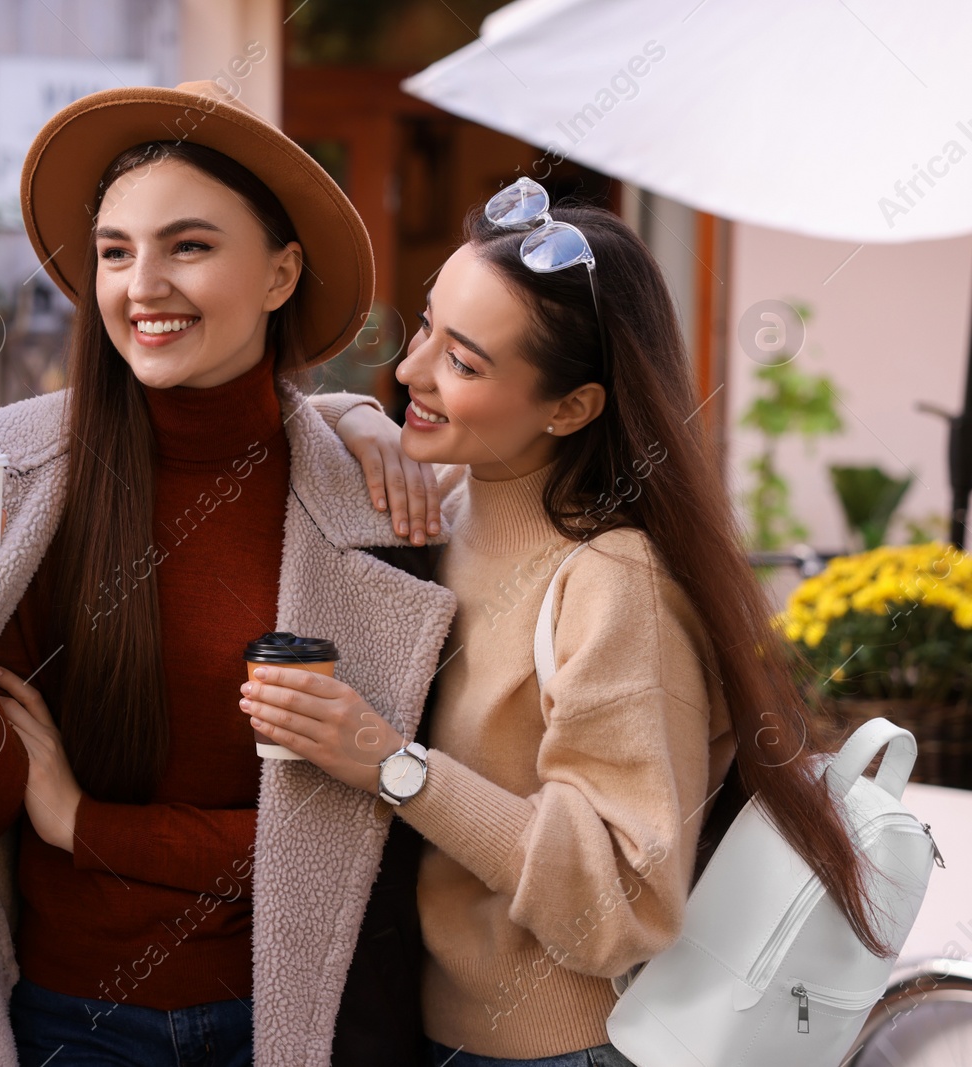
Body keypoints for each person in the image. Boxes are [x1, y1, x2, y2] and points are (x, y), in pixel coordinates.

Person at [0, 81, 452, 1067]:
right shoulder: (5, 480)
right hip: (69, 1023)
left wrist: (85, 824)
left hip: (294, 1023)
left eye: (188, 245)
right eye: (114, 251)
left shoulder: (379, 505)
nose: (142, 286)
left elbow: (357, 844)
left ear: (279, 274)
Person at [242, 181, 890, 1066]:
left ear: (572, 407)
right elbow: (281, 429)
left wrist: (390, 764)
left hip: (556, 1048)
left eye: (463, 364)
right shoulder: (454, 497)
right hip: (430, 1027)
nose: (409, 371)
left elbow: (627, 897)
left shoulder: (613, 582)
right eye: (426, 325)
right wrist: (356, 418)